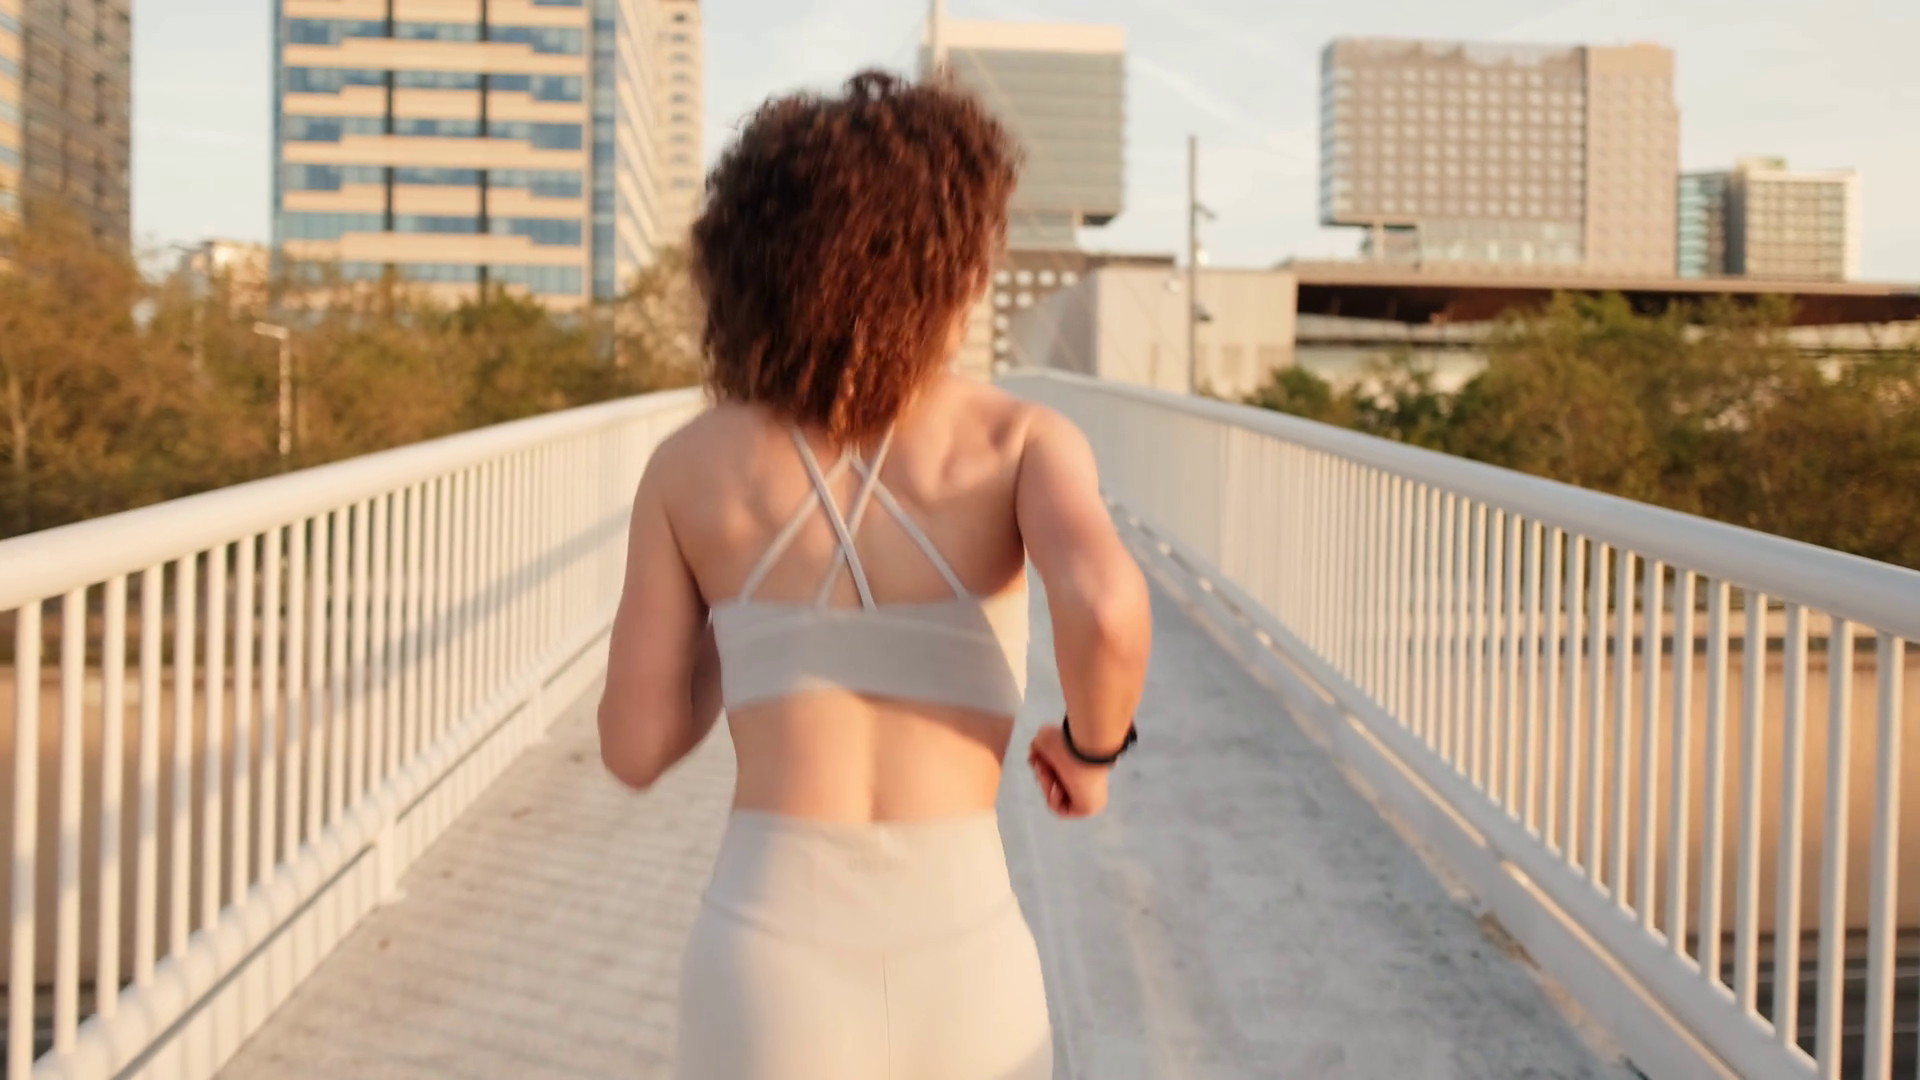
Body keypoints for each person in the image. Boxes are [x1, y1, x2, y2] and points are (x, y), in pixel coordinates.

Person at [595, 69, 1153, 1080]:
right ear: (951, 265)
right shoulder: (1020, 440)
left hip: (765, 955)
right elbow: (1108, 611)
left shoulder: (689, 466)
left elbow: (634, 749)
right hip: (966, 954)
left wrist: (742, 620)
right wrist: (1090, 754)